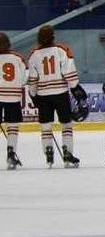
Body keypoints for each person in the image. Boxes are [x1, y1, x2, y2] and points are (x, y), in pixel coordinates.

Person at [27, 25, 84, 168]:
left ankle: (49, 152)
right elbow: (69, 72)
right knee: (66, 124)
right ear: (53, 36)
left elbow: (32, 79)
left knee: (46, 126)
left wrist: (33, 94)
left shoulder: (34, 54)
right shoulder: (61, 50)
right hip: (60, 94)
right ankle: (67, 153)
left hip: (43, 95)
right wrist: (75, 86)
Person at [0, 33, 27, 169]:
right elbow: (24, 78)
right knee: (13, 126)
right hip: (13, 96)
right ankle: (11, 153)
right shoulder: (18, 58)